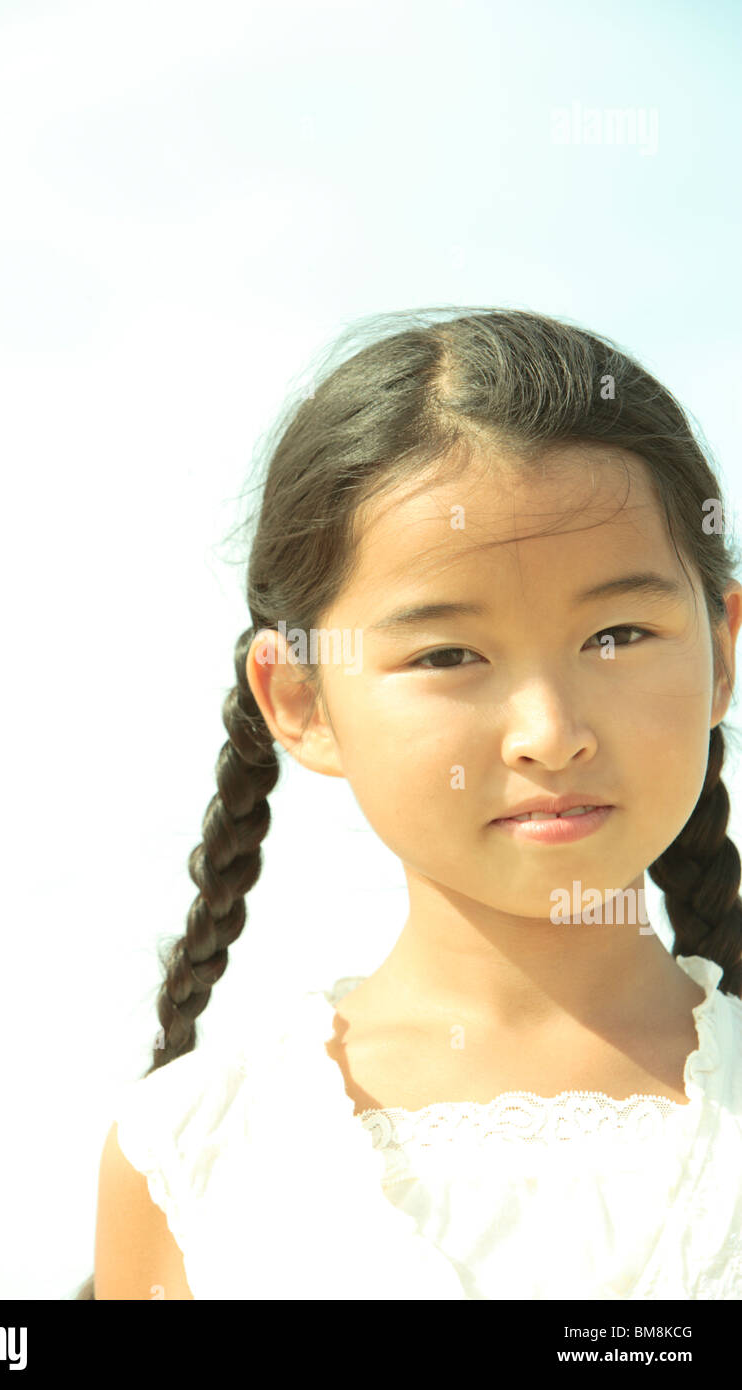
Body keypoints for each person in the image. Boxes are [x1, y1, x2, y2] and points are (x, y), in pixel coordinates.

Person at [81, 307, 742, 1300]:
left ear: (721, 649)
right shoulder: (193, 1152)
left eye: (615, 634)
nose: (548, 730)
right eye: (446, 655)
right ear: (300, 700)